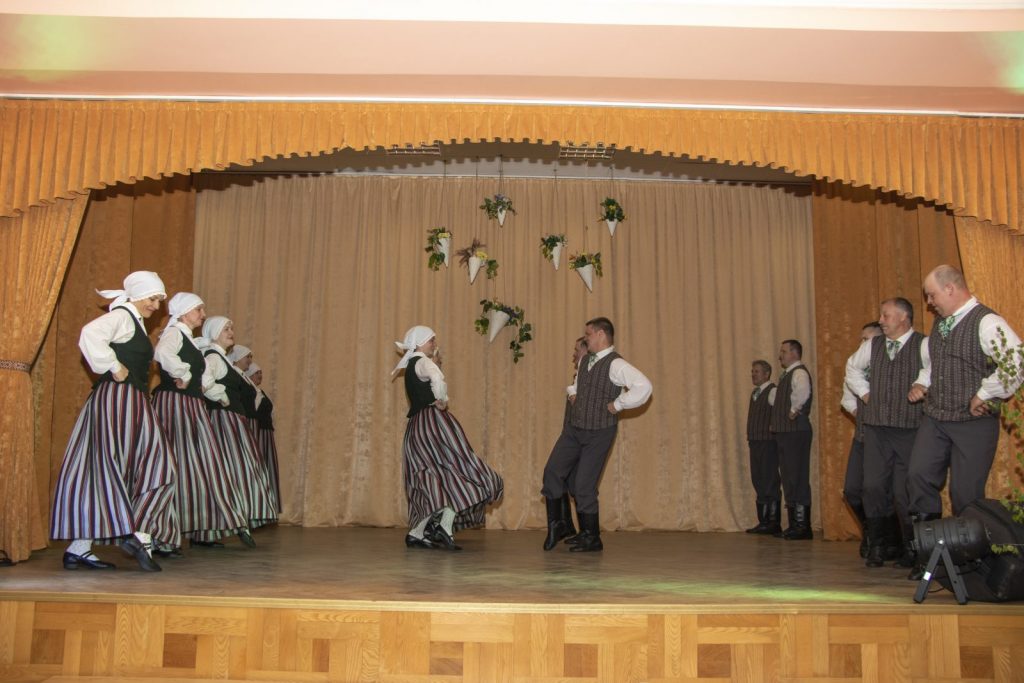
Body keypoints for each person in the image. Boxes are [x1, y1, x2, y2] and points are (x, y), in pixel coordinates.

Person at [50, 271, 177, 572]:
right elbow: (90, 334)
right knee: (151, 465)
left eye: (158, 300)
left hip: (127, 401)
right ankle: (136, 535)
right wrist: (113, 365)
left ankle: (80, 548)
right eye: (152, 298)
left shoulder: (133, 320)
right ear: (137, 295)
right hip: (118, 400)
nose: (155, 305)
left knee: (111, 468)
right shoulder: (122, 316)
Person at [906, 265, 1022, 574]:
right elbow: (933, 365)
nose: (929, 302)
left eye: (932, 295)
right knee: (918, 475)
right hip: (936, 417)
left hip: (973, 422)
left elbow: (1016, 362)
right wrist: (922, 384)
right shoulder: (941, 323)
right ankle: (927, 556)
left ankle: (969, 563)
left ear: (950, 289)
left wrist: (985, 393)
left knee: (965, 493)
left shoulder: (987, 322)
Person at [540, 317, 653, 552]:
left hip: (599, 432)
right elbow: (578, 385)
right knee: (552, 472)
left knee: (584, 484)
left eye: (588, 334)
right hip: (575, 430)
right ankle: (559, 525)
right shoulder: (586, 360)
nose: (586, 338)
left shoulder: (616, 364)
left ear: (601, 334)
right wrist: (573, 393)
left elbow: (644, 386)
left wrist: (619, 404)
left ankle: (591, 537)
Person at [152, 293, 249, 551]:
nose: (203, 315)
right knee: (174, 466)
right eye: (199, 310)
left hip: (189, 404)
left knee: (192, 467)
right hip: (175, 404)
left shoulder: (188, 338)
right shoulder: (174, 333)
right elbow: (161, 353)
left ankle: (186, 531)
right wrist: (183, 373)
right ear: (184, 312)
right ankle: (161, 536)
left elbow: (203, 376)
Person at [393, 325, 503, 551]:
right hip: (433, 423)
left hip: (417, 427)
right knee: (458, 469)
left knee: (434, 478)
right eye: (431, 340)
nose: (434, 344)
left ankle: (419, 532)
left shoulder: (413, 364)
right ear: (421, 342)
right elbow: (436, 377)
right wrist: (441, 399)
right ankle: (441, 526)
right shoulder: (423, 361)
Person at [846, 300, 928, 568]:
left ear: (904, 317)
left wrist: (921, 384)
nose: (881, 320)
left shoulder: (923, 344)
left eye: (886, 315)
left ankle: (912, 549)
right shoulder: (873, 345)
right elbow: (851, 368)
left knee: (904, 492)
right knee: (872, 486)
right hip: (877, 430)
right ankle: (878, 545)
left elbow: (934, 370)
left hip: (909, 430)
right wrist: (865, 393)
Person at [201, 316, 277, 540]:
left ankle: (234, 520)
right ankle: (224, 524)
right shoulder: (213, 357)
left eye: (231, 328)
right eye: (226, 329)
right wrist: (223, 398)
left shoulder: (222, 359)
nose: (231, 332)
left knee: (239, 469)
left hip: (231, 418)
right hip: (223, 419)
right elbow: (204, 382)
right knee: (228, 470)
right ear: (214, 332)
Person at [840, 322, 883, 557]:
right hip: (863, 436)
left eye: (867, 340)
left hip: (886, 437)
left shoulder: (888, 364)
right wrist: (860, 413)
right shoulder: (856, 367)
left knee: (880, 490)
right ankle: (869, 530)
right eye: (862, 339)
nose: (862, 344)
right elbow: (847, 398)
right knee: (852, 489)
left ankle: (885, 539)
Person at [770, 339, 814, 540]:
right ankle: (794, 524)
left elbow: (802, 392)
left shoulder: (799, 373)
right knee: (788, 476)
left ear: (795, 353)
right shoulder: (787, 375)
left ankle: (803, 526)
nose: (780, 355)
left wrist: (794, 409)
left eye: (784, 351)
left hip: (795, 431)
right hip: (786, 432)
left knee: (797, 476)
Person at [745, 360, 780, 535]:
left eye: (757, 371)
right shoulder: (755, 393)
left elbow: (779, 412)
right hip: (755, 442)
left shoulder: (772, 391)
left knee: (769, 479)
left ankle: (773, 522)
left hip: (768, 442)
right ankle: (763, 521)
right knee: (758, 479)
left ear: (767, 374)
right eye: (752, 371)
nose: (753, 374)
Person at [246, 363, 281, 514]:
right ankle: (256, 508)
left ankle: (266, 509)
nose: (260, 375)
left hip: (266, 434)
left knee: (267, 469)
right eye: (256, 373)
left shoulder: (260, 392)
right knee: (258, 469)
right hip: (257, 433)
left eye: (260, 373)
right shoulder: (251, 393)